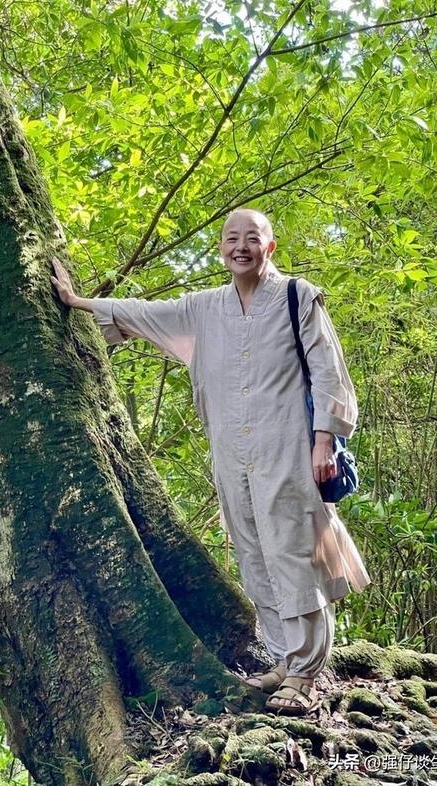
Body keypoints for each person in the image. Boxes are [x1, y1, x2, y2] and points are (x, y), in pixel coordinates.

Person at [50, 208, 371, 716]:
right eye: (231, 238)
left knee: (290, 550)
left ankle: (307, 670)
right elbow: (144, 313)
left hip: (288, 448)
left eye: (252, 238)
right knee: (253, 552)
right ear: (221, 247)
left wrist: (324, 440)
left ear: (270, 246)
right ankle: (284, 660)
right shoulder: (205, 308)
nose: (240, 246)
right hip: (232, 453)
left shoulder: (297, 297)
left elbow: (329, 370)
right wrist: (77, 301)